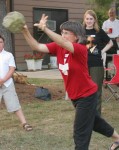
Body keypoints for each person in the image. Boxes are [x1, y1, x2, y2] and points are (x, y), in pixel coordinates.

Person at [21, 14, 119, 150]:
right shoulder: (58, 47)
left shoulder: (79, 49)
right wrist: (24, 31)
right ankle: (118, 139)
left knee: (80, 132)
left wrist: (46, 29)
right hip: (76, 96)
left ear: (77, 36)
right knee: (95, 122)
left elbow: (63, 42)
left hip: (87, 96)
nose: (63, 35)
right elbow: (37, 46)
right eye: (62, 32)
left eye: (66, 33)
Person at [83, 10, 113, 115]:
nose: (89, 21)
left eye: (91, 19)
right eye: (87, 19)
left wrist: (102, 51)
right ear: (84, 19)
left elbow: (110, 42)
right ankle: (86, 114)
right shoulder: (81, 31)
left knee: (96, 90)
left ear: (94, 20)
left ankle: (96, 116)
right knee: (84, 90)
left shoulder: (99, 31)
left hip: (96, 64)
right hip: (83, 65)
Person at [0, 35, 32, 131]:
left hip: (7, 84)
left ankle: (24, 123)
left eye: (0, 42)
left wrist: (3, 80)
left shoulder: (8, 55)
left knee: (14, 104)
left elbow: (12, 69)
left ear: (3, 43)